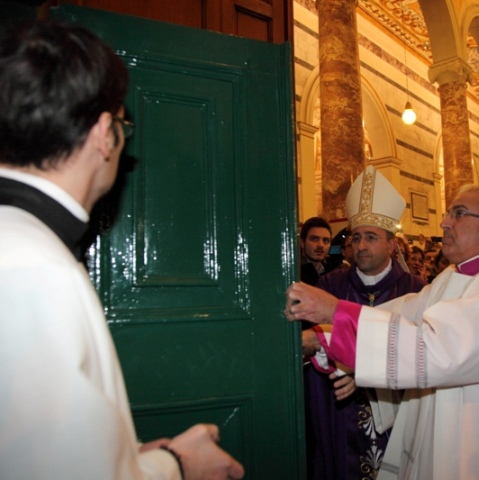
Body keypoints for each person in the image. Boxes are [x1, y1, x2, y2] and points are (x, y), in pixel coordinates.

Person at [0, 21, 244, 480]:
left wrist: (130, 457)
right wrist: (178, 464)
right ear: (103, 133)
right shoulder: (33, 268)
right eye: (123, 126)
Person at [286, 184, 479, 480]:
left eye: (458, 213)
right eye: (448, 213)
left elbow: (440, 349)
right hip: (445, 440)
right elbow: (401, 315)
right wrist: (323, 338)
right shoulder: (450, 277)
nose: (444, 222)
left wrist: (336, 311)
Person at [303, 166, 426, 480]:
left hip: (398, 414)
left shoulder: (415, 290)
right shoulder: (329, 286)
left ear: (392, 244)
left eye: (371, 237)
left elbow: (423, 352)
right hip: (339, 411)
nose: (360, 245)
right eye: (356, 237)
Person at [299, 216, 332, 286]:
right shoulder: (295, 274)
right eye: (314, 239)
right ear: (302, 243)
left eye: (326, 240)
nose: (320, 245)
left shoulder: (331, 273)